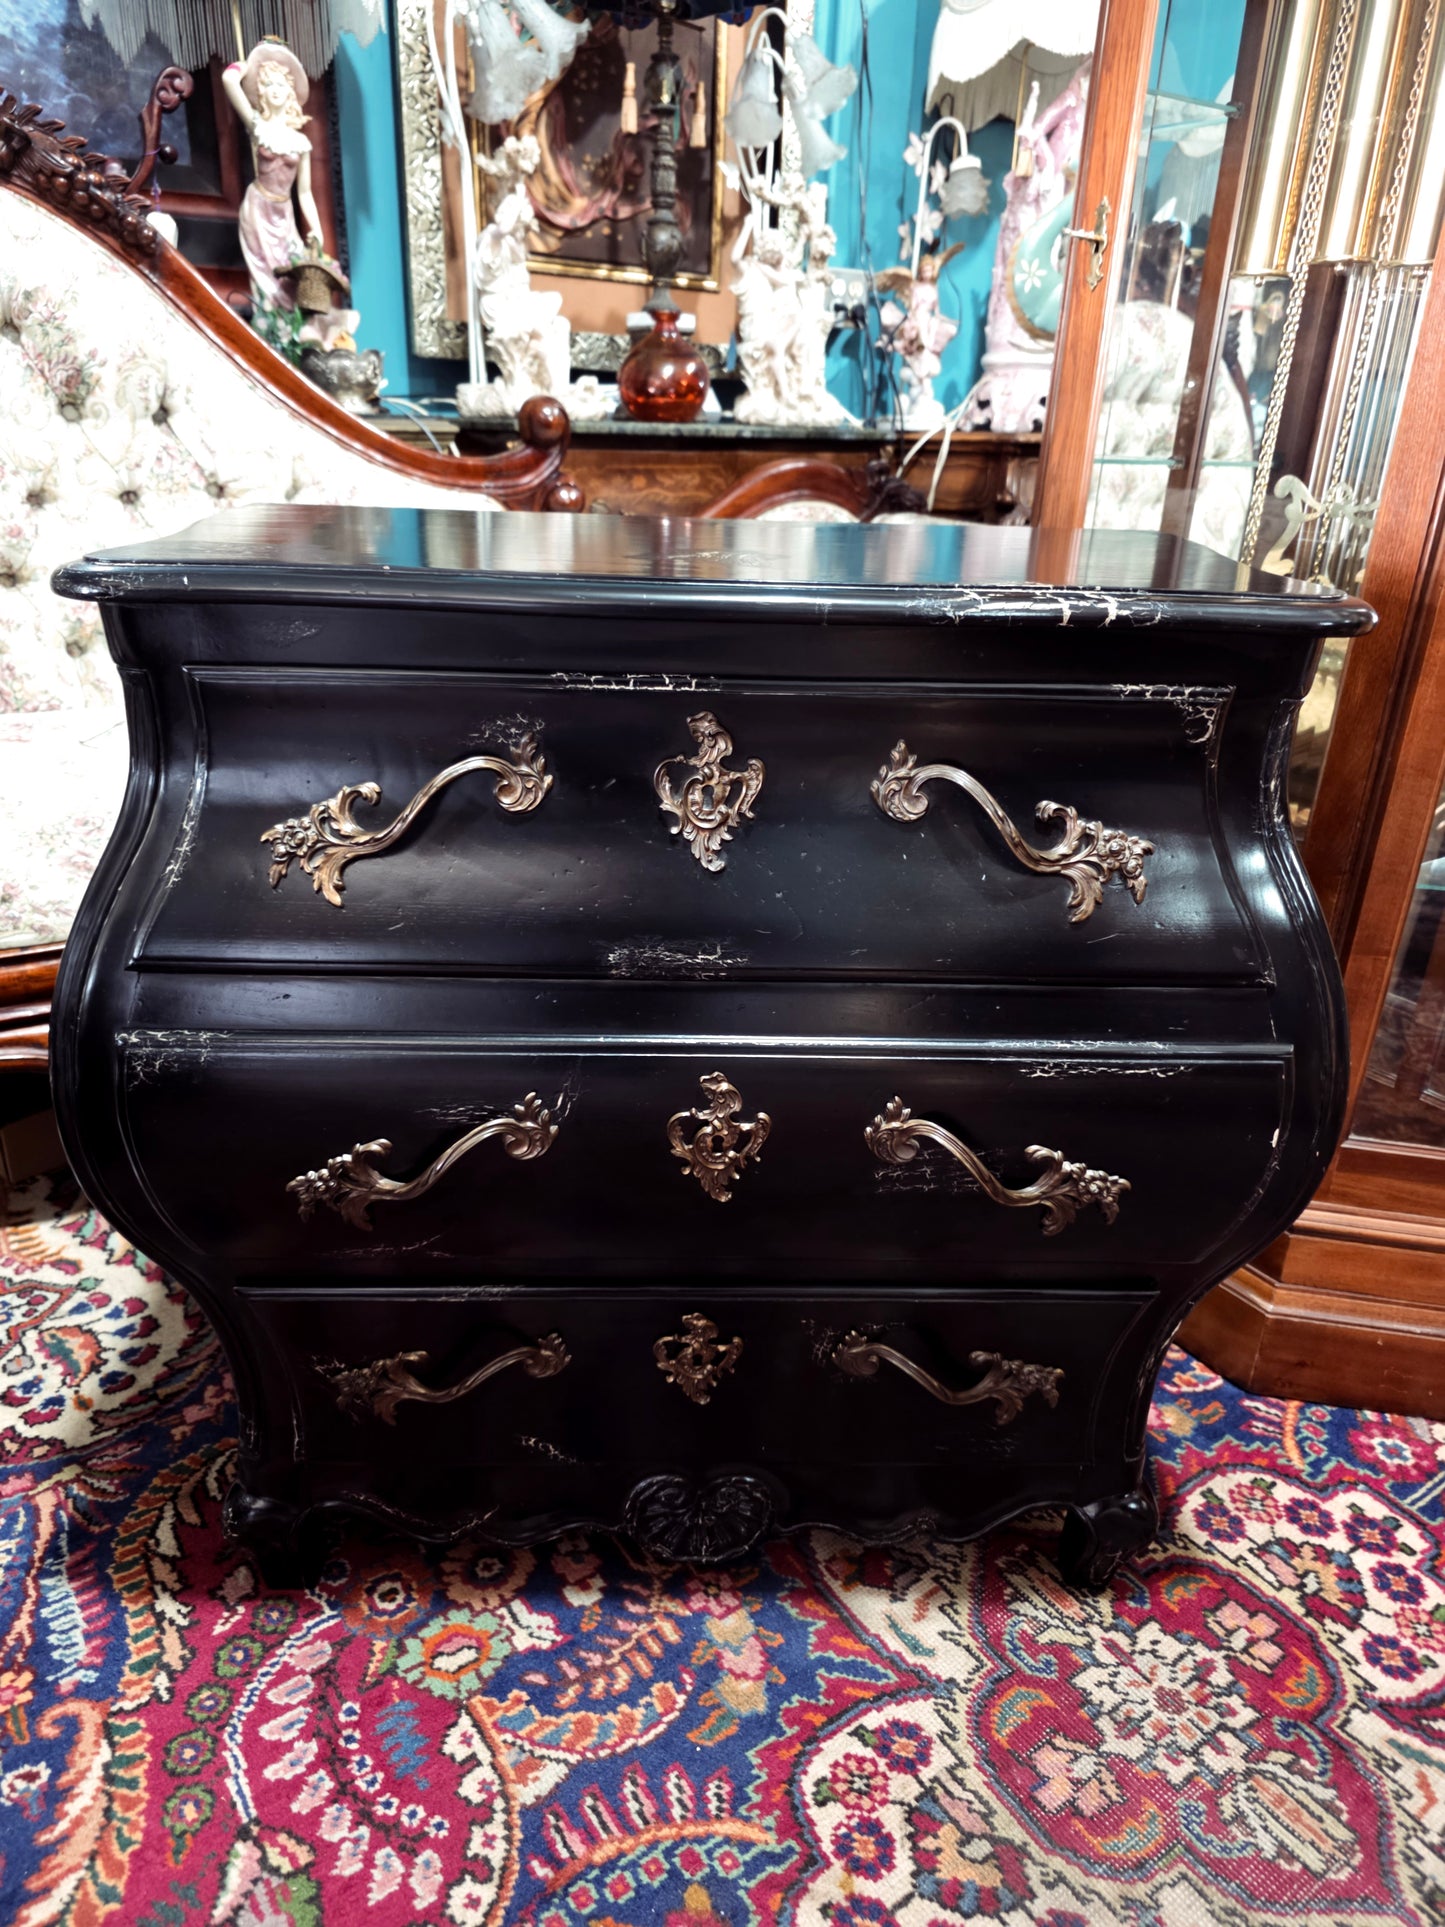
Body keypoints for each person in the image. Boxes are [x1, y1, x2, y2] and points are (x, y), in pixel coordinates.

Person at [222, 38, 358, 360]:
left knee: (291, 278)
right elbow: (228, 80)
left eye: (281, 84)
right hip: (257, 209)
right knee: (266, 283)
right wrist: (248, 66)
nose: (275, 90)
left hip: (284, 213)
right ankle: (271, 345)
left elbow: (305, 192)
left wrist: (317, 231)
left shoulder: (300, 142)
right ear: (261, 92)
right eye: (268, 84)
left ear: (291, 93)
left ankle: (294, 347)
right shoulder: (258, 127)